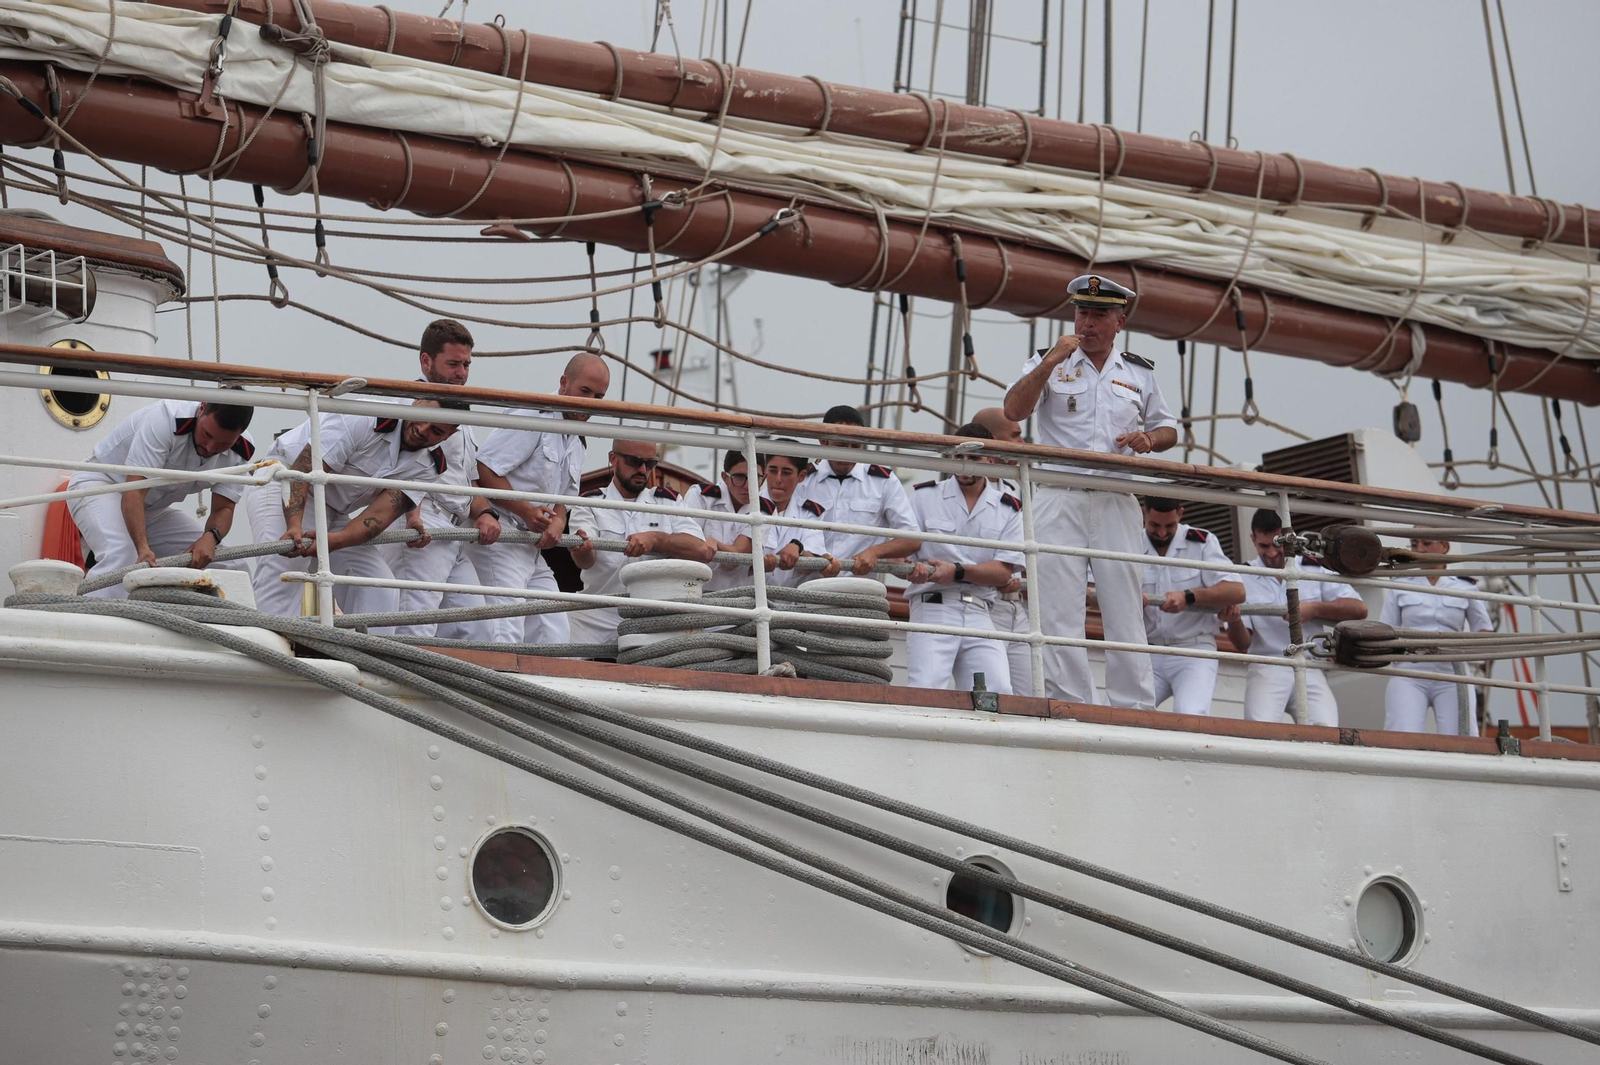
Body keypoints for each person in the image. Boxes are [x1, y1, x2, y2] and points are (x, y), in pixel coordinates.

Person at [1002, 273, 1177, 709]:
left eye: (1099, 315)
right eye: (1082, 312)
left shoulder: (1138, 372)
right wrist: (1049, 364)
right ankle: (1071, 705)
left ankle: (1134, 708)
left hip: (1117, 499)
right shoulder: (1047, 361)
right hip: (1060, 495)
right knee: (1059, 610)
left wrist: (1150, 440)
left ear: (1120, 322)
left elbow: (1169, 427)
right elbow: (1013, 410)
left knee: (1124, 607)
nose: (1088, 323)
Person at [248, 398, 464, 618]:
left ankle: (362, 651)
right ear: (417, 403)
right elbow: (304, 469)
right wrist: (294, 525)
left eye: (436, 430)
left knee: (378, 586)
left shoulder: (429, 465)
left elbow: (378, 515)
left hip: (335, 509)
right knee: (284, 569)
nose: (422, 430)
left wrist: (335, 541)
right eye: (424, 419)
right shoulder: (363, 416)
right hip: (284, 480)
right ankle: (265, 646)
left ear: (449, 436)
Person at [469, 353, 609, 646]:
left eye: (598, 396)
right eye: (585, 391)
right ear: (564, 383)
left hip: (532, 547)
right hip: (501, 537)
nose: (589, 403)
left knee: (554, 629)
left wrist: (559, 520)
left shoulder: (577, 435)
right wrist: (526, 511)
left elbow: (565, 496)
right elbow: (485, 468)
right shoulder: (533, 416)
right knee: (505, 629)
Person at [67, 395, 256, 598]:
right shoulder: (164, 420)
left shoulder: (241, 450)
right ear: (201, 408)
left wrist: (211, 537)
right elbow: (134, 491)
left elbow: (224, 509)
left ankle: (222, 626)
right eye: (207, 434)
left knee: (231, 564)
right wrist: (143, 548)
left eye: (222, 444)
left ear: (239, 435)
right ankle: (97, 624)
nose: (210, 448)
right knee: (123, 554)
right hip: (102, 486)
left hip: (151, 509)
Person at [386, 319, 503, 640]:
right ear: (426, 361)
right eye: (453, 364)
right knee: (414, 624)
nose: (461, 373)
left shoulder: (460, 419)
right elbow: (394, 468)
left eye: (466, 364)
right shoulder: (410, 409)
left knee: (479, 629)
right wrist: (412, 515)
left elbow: (467, 481)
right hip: (421, 520)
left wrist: (486, 512)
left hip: (454, 528)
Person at [904, 423, 1025, 694]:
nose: (965, 464)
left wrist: (956, 571)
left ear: (990, 460)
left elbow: (1002, 573)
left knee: (998, 690)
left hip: (979, 611)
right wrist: (911, 570)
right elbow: (903, 555)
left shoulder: (1008, 507)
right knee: (926, 688)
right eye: (959, 457)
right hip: (932, 605)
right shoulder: (924, 497)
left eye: (974, 458)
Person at [1219, 509, 1368, 726]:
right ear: (1253, 539)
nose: (1271, 553)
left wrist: (1313, 609)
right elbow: (1242, 644)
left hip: (1310, 665)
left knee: (1325, 731)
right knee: (1260, 732)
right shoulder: (1242, 576)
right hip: (1267, 664)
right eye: (1264, 546)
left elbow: (1359, 609)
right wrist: (1233, 620)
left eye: (1278, 544)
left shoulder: (1313, 568)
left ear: (1291, 538)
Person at [567, 440, 713, 646]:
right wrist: (581, 549)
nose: (643, 470)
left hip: (656, 612)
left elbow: (701, 550)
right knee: (562, 635)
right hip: (598, 611)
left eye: (650, 464)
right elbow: (584, 561)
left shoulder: (669, 502)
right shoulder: (589, 503)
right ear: (613, 459)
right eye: (635, 462)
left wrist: (655, 539)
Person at [1138, 497, 1244, 715]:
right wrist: (1129, 598)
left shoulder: (1202, 542)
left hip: (1193, 650)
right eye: (1155, 525)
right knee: (1122, 714)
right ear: (1144, 513)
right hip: (1147, 649)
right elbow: (1095, 591)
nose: (1161, 533)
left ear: (1181, 514)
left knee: (1190, 715)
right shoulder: (1130, 543)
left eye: (1169, 526)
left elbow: (1237, 590)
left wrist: (1189, 597)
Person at [1380, 536, 1493, 735]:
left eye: (1426, 543)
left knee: (1461, 737)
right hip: (1409, 671)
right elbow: (1385, 630)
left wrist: (1467, 654)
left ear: (1444, 546)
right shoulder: (1399, 585)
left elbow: (1483, 630)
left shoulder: (1465, 585)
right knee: (1402, 735)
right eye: (1414, 545)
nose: (1419, 549)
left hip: (1453, 672)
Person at [798, 405, 920, 577]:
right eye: (841, 445)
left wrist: (876, 552)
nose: (848, 453)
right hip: (808, 588)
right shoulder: (802, 481)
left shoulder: (883, 481)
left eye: (855, 446)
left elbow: (912, 539)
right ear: (823, 441)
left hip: (862, 589)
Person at [970, 407, 1033, 692]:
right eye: (1016, 436)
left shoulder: (1016, 488)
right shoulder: (951, 487)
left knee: (1029, 691)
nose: (1023, 444)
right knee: (993, 690)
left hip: (1016, 606)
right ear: (993, 439)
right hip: (979, 602)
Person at [758, 443, 840, 587]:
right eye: (772, 470)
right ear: (765, 472)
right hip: (749, 598)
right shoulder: (749, 507)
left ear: (801, 476)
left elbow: (813, 558)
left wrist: (798, 549)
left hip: (791, 602)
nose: (778, 479)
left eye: (786, 472)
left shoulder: (809, 513)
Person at [683, 451, 758, 592]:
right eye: (740, 477)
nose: (748, 486)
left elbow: (736, 559)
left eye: (755, 477)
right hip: (694, 592)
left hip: (739, 600)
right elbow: (687, 543)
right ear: (725, 477)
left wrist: (715, 544)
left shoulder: (763, 510)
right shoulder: (700, 496)